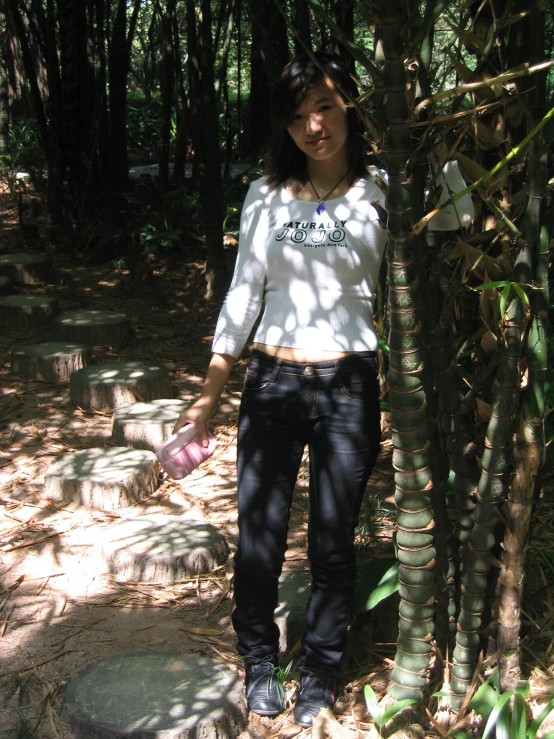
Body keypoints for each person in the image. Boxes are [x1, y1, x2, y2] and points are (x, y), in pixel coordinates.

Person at [173, 52, 473, 727]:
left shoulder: (386, 189)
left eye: (327, 107)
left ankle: (320, 670)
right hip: (273, 383)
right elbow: (243, 298)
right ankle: (258, 658)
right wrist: (210, 392)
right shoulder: (265, 196)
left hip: (348, 383)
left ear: (351, 108)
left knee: (335, 543)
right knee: (260, 537)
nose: (315, 125)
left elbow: (459, 214)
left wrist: (444, 139)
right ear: (284, 124)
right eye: (299, 113)